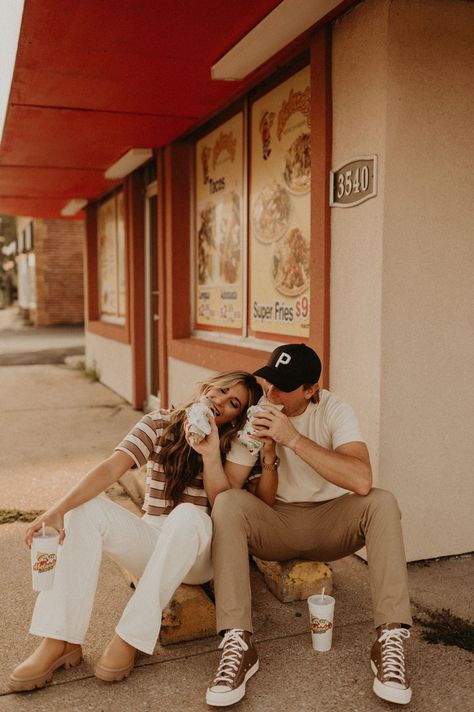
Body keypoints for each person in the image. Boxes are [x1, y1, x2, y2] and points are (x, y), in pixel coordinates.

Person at [9, 370, 262, 692]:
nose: (220, 401)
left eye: (233, 403)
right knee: (83, 508)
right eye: (221, 390)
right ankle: (59, 640)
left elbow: (223, 505)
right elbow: (113, 467)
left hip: (200, 551)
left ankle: (130, 636)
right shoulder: (160, 422)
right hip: (153, 537)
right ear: (207, 387)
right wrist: (56, 510)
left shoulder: (233, 446)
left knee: (188, 515)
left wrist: (210, 453)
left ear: (235, 419)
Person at [206, 344, 413, 707]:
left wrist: (293, 439)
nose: (271, 393)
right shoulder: (260, 413)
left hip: (332, 521)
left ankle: (389, 640)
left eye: (283, 387)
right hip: (277, 524)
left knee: (382, 501)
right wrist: (251, 451)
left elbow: (361, 480)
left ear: (310, 390)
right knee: (227, 504)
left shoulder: (334, 409)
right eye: (269, 382)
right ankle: (238, 642)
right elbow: (228, 491)